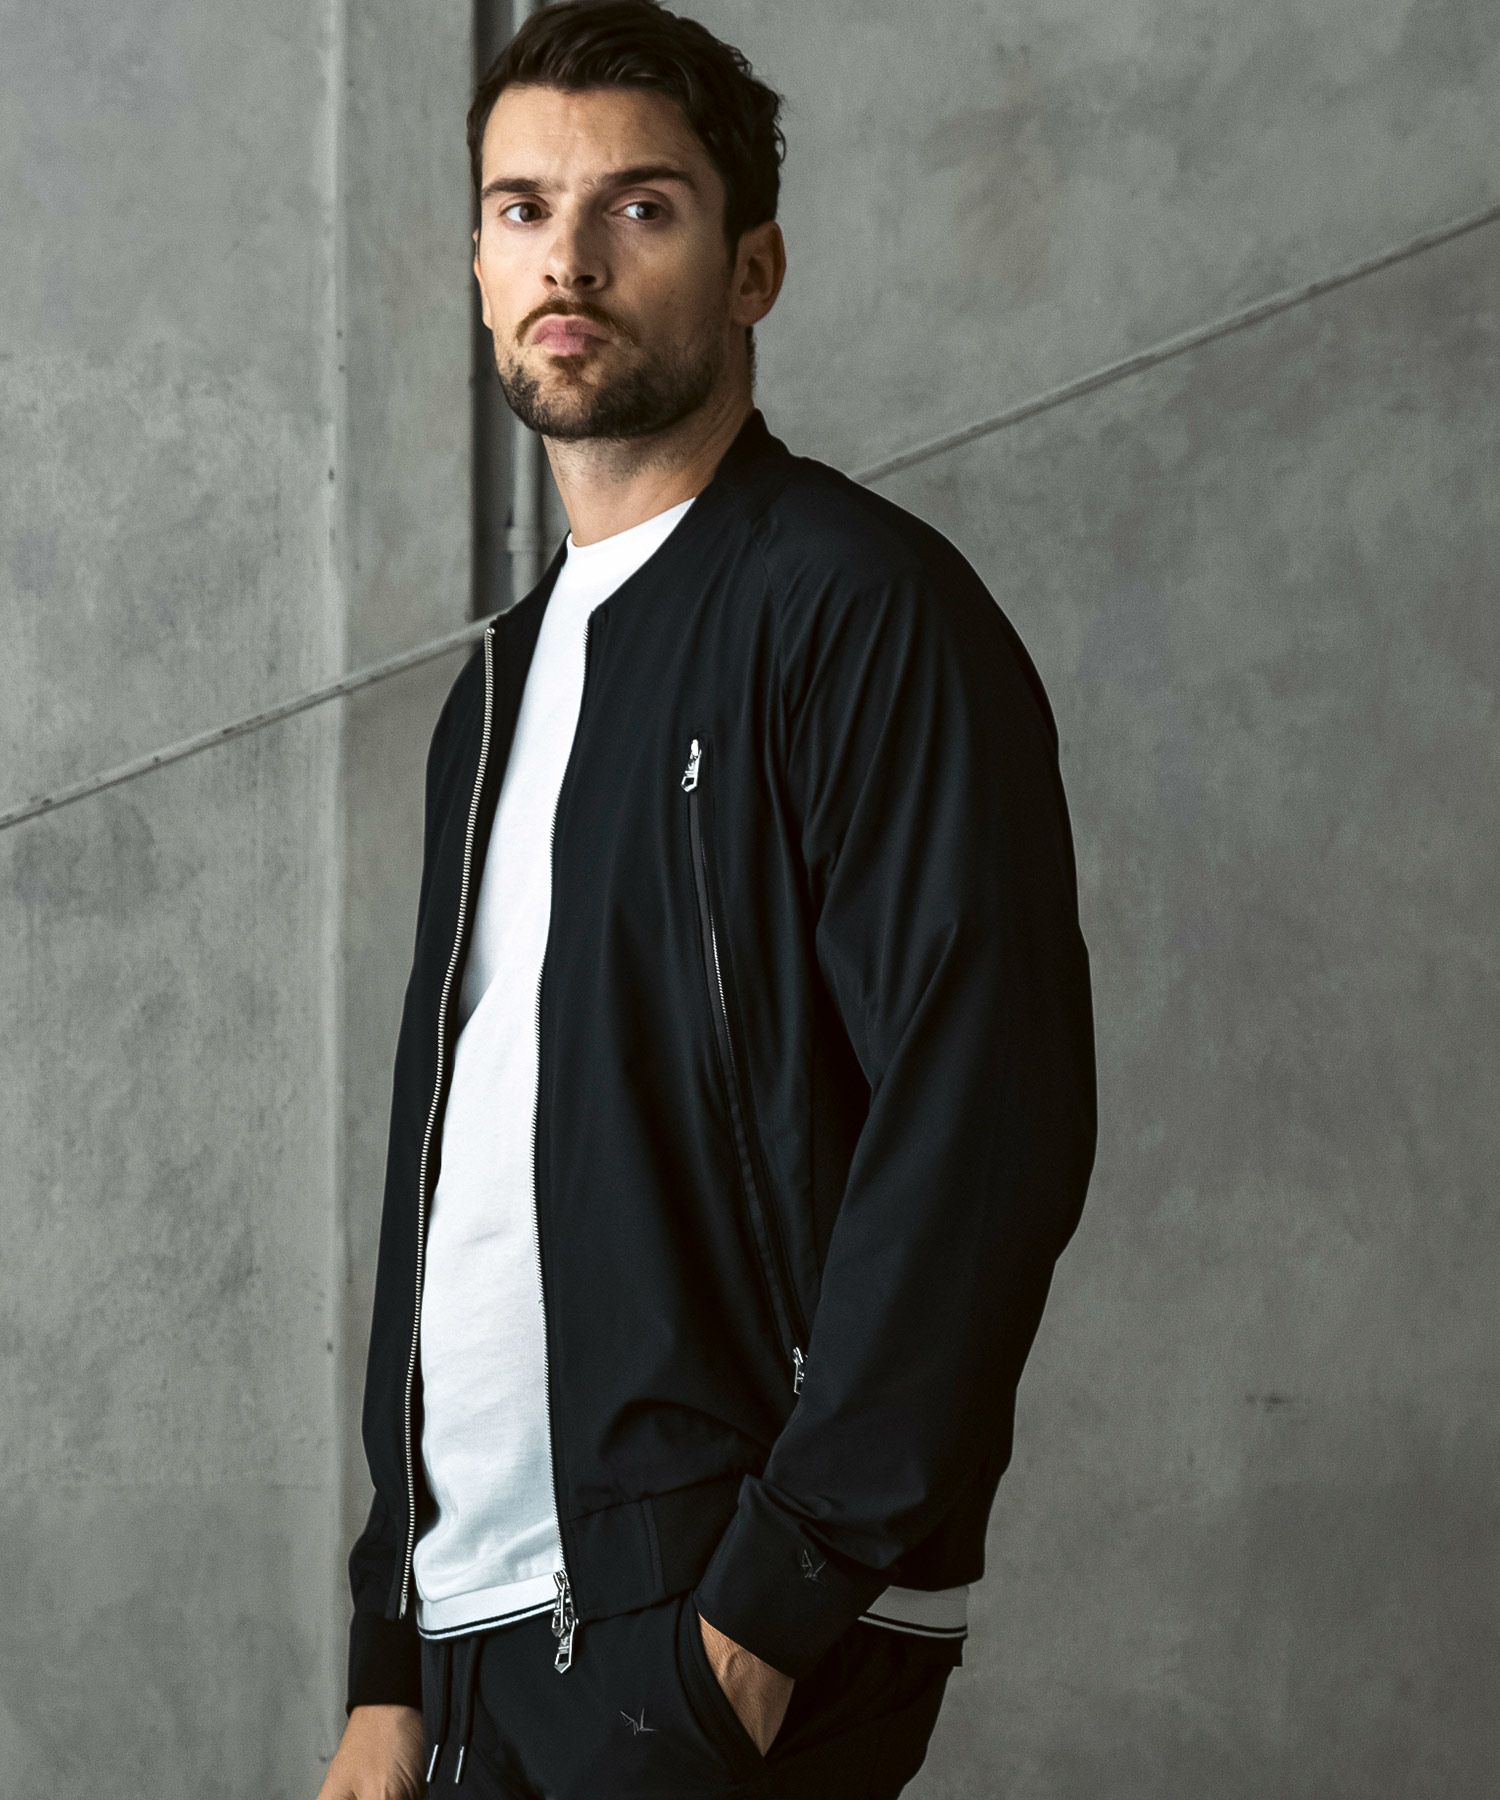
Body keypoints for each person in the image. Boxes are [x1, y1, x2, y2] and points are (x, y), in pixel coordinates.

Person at [315, 2, 1097, 1795]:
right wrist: (389, 1655)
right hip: (478, 1638)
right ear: (478, 262)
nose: (568, 259)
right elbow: (452, 1182)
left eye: (640, 207)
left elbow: (987, 1114)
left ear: (754, 269)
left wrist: (770, 1604)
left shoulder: (856, 607)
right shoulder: (497, 689)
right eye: (522, 209)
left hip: (717, 1613)